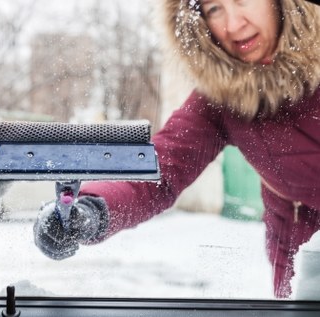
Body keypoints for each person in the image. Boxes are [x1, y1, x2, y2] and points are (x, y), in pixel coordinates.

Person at [33, 0, 320, 298]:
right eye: (213, 9)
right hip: (301, 253)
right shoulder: (222, 100)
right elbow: (162, 168)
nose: (233, 25)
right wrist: (90, 209)